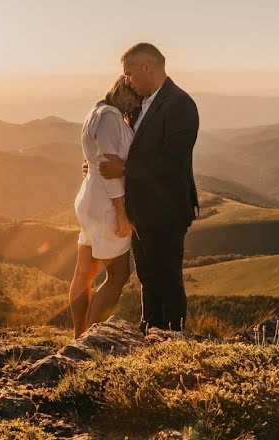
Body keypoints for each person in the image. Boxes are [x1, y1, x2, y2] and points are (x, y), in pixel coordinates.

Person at [98, 43, 199, 333]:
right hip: (141, 210)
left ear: (148, 67)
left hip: (166, 210)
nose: (127, 81)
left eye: (129, 74)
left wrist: (125, 170)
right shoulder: (143, 105)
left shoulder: (180, 104)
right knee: (147, 276)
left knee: (167, 276)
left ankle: (172, 335)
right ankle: (149, 329)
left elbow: (172, 162)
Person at [70, 76, 141, 339]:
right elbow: (111, 167)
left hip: (89, 198)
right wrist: (121, 212)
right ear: (125, 94)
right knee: (118, 274)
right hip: (106, 205)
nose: (136, 105)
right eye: (134, 99)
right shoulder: (111, 117)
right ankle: (88, 339)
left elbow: (96, 156)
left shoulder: (95, 111)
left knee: (84, 272)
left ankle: (78, 335)